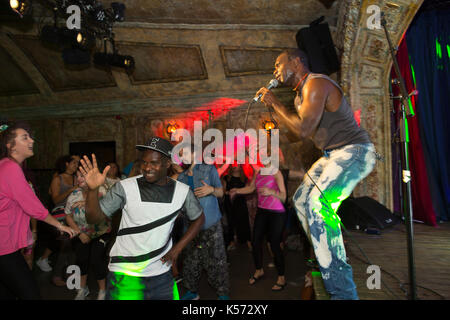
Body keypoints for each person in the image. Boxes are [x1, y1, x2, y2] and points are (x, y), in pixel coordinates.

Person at [256, 48, 376, 299]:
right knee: (301, 200)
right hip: (332, 154)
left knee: (318, 203)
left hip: (354, 151)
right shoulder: (300, 97)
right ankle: (325, 252)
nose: (275, 71)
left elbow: (303, 130)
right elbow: (298, 130)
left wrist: (275, 103)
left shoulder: (316, 83)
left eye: (279, 64)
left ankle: (342, 289)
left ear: (297, 61)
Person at [80, 137, 205, 300]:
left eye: (154, 163)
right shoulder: (125, 187)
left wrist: (178, 249)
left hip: (161, 275)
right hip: (125, 275)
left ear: (168, 163)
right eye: (144, 162)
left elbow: (199, 218)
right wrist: (92, 190)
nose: (147, 167)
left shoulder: (182, 192)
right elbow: (93, 219)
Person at [0, 122, 76, 299]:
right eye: (25, 137)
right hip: (3, 247)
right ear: (10, 145)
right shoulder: (10, 167)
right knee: (31, 294)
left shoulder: (6, 165)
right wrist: (60, 225)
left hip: (5, 245)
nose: (31, 140)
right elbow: (31, 205)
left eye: (30, 136)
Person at [177, 144, 230, 300]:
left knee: (217, 259)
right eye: (180, 154)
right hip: (191, 226)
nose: (181, 157)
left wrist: (211, 190)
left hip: (210, 224)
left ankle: (223, 293)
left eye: (184, 153)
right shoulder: (181, 177)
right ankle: (191, 291)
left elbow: (221, 193)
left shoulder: (209, 169)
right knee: (191, 260)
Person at [230, 165, 287, 291]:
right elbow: (251, 188)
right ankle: (259, 270)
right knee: (255, 241)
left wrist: (272, 192)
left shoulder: (276, 172)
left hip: (276, 212)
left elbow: (283, 197)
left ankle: (281, 277)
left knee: (274, 244)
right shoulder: (258, 172)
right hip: (262, 211)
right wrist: (237, 190)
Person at [65, 173, 112, 300]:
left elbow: (106, 209)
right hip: (81, 234)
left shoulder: (102, 190)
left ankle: (102, 290)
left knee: (96, 259)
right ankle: (82, 289)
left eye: (83, 176)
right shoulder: (74, 195)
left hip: (100, 233)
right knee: (82, 258)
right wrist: (79, 233)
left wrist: (86, 203)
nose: (79, 179)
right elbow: (68, 215)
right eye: (77, 176)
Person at [36, 154, 79, 286]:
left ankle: (71, 275)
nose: (76, 165)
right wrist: (71, 189)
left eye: (77, 163)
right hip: (59, 212)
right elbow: (55, 200)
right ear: (66, 164)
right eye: (74, 163)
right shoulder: (57, 179)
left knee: (72, 243)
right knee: (66, 242)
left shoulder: (76, 178)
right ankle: (57, 276)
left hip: (72, 212)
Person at [222, 164, 252, 251]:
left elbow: (248, 190)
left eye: (237, 164)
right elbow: (223, 190)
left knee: (244, 222)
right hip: (229, 203)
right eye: (233, 164)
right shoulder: (226, 178)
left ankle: (248, 241)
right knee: (230, 222)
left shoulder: (245, 178)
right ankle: (231, 242)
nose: (235, 166)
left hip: (240, 202)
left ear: (241, 166)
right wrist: (228, 193)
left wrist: (238, 192)